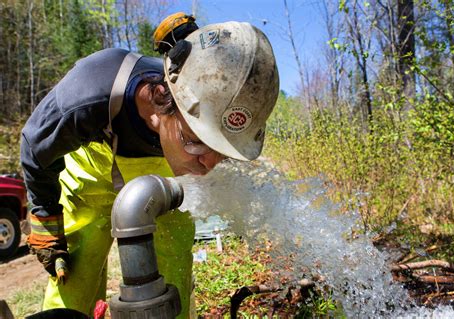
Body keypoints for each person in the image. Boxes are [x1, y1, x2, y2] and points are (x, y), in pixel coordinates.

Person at [20, 18, 279, 317]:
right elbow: (34, 149)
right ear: (162, 100)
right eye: (196, 142)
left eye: (220, 152)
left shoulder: (205, 99)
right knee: (76, 269)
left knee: (172, 261)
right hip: (92, 161)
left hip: (156, 164)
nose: (207, 166)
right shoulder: (88, 95)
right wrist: (45, 217)